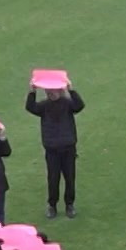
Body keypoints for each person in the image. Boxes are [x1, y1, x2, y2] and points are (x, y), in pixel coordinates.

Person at [26, 83, 83, 218]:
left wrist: (71, 90)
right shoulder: (44, 106)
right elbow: (30, 107)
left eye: (53, 91)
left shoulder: (67, 104)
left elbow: (79, 105)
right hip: (52, 149)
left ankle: (69, 204)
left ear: (59, 91)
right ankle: (52, 205)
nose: (51, 93)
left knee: (69, 178)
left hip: (68, 148)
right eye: (48, 91)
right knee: (53, 178)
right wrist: (32, 92)